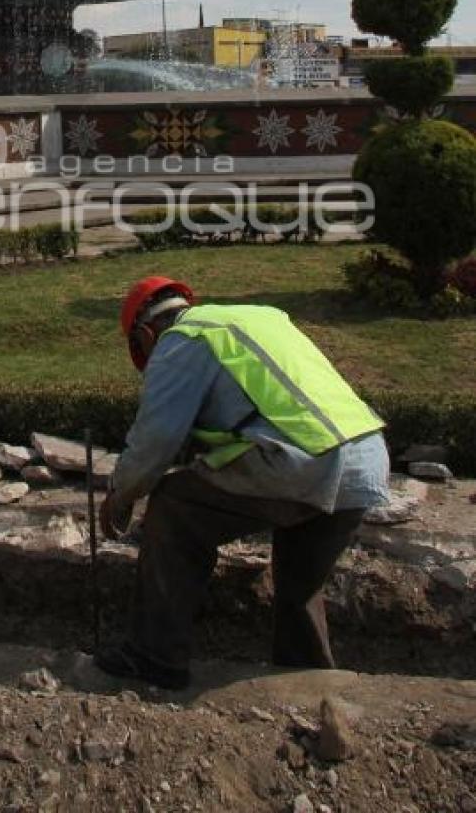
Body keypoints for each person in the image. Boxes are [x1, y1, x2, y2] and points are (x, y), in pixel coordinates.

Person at [95, 276, 390, 689]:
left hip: (302, 464)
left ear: (145, 334)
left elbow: (156, 440)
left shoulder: (182, 340)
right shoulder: (261, 318)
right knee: (299, 582)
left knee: (174, 509)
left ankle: (154, 656)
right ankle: (308, 683)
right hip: (365, 460)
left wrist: (120, 495)